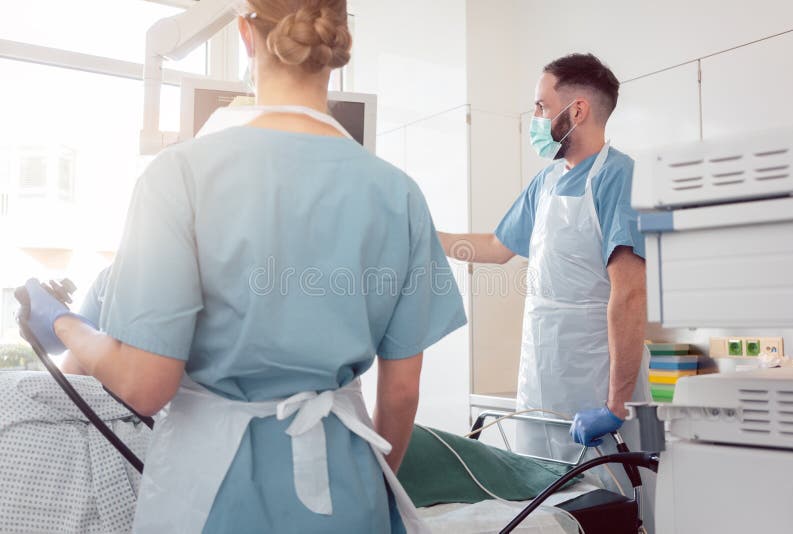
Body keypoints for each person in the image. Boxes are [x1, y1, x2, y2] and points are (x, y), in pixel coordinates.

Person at [20, 1, 466, 532]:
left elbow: (145, 383)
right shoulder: (400, 193)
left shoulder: (180, 174)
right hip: (347, 493)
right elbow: (401, 391)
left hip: (211, 492)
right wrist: (371, 478)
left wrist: (64, 324)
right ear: (340, 39)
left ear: (245, 36)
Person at [438, 53, 654, 531]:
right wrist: (423, 236)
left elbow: (629, 295)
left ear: (575, 111)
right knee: (542, 512)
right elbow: (495, 248)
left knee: (605, 510)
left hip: (595, 389)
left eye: (541, 106)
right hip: (541, 379)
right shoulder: (548, 181)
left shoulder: (620, 176)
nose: (535, 119)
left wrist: (615, 405)